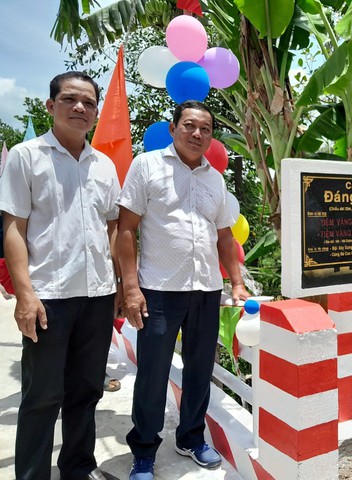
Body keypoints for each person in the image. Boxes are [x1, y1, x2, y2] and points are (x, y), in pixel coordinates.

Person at [117, 100, 249, 480]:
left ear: (210, 137)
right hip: (158, 289)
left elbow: (224, 236)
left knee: (198, 371)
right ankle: (143, 451)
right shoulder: (147, 166)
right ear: (173, 128)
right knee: (153, 375)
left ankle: (191, 437)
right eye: (189, 126)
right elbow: (126, 229)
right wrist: (130, 288)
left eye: (205, 129)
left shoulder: (215, 179)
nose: (197, 134)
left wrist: (236, 282)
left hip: (206, 289)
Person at [0, 72, 121, 480]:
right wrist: (25, 294)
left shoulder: (104, 165)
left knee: (86, 391)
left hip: (98, 296)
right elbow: (14, 227)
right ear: (51, 106)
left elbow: (112, 226)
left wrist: (119, 283)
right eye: (70, 99)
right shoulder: (26, 155)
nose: (80, 107)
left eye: (88, 102)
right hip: (48, 295)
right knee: (41, 396)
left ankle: (78, 468)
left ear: (96, 112)